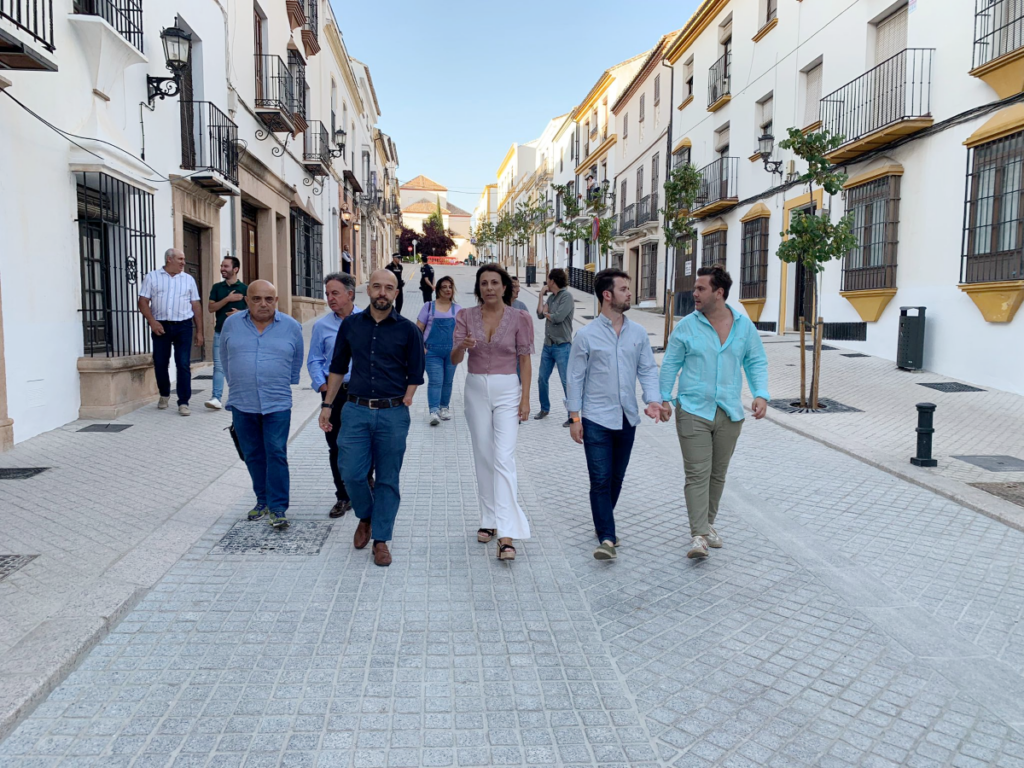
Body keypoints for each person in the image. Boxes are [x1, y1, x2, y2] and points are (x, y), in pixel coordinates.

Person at [659, 265, 770, 560]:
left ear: (719, 293)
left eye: (700, 289)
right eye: (695, 288)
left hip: (730, 412)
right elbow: (670, 363)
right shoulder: (687, 326)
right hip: (693, 410)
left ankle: (707, 526)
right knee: (697, 473)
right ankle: (698, 535)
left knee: (717, 475)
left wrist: (761, 394)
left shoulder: (744, 327)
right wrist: (664, 398)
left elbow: (756, 361)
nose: (694, 293)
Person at [319, 269, 425, 567]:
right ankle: (365, 515)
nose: (382, 292)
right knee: (351, 472)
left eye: (388, 288)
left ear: (396, 293)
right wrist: (327, 406)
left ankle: (381, 539)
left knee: (388, 479)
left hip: (392, 413)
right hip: (354, 410)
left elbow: (416, 371)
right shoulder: (351, 325)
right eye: (377, 286)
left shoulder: (408, 330)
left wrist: (407, 397)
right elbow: (338, 367)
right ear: (367, 289)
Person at [566, 269, 662, 561]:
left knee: (616, 479)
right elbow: (574, 378)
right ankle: (606, 537)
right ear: (607, 295)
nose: (629, 293)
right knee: (600, 479)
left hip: (627, 417)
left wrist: (653, 400)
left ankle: (602, 522)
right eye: (623, 289)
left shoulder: (638, 333)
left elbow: (647, 369)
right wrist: (574, 417)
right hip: (595, 418)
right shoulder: (585, 335)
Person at [452, 264, 534, 561]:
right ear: (478, 287)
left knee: (503, 457)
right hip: (475, 388)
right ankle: (488, 518)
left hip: (507, 389)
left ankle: (507, 533)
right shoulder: (465, 316)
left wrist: (525, 399)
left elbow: (524, 360)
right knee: (483, 455)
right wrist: (462, 345)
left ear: (505, 287)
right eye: (484, 283)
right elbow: (454, 358)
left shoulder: (520, 318)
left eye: (494, 283)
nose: (489, 288)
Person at [220, 280, 304, 529]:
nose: (263, 304)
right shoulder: (231, 324)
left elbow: (296, 359)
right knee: (252, 455)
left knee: (276, 452)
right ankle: (262, 500)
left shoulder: (291, 326)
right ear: (247, 300)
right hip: (242, 402)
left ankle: (278, 507)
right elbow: (225, 358)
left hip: (277, 402)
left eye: (269, 299)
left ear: (276, 301)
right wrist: (237, 381)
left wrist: (281, 381)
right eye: (256, 299)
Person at [308, 273, 361, 518]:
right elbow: (315, 360)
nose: (329, 298)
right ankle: (343, 496)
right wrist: (322, 386)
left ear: (350, 294)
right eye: (327, 293)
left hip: (363, 393)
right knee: (336, 447)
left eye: (335, 293)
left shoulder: (367, 321)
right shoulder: (322, 326)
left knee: (364, 443)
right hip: (334, 395)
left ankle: (364, 481)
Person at [138, 248, 204, 416]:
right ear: (169, 259)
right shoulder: (152, 277)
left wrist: (200, 332)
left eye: (184, 259)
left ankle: (183, 401)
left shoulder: (188, 279)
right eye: (180, 259)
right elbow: (143, 301)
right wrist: (152, 322)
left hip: (183, 326)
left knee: (183, 363)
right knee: (160, 362)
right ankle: (164, 393)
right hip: (161, 326)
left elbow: (196, 305)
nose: (183, 262)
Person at [416, 276, 461, 426]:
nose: (448, 290)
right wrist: (421, 347)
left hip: (452, 351)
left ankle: (444, 407)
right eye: (444, 287)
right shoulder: (429, 307)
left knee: (448, 381)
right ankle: (433, 411)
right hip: (432, 352)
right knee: (436, 381)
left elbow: (463, 331)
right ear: (438, 290)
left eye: (450, 287)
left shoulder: (458, 309)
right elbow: (418, 329)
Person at [205, 256, 248, 410]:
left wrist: (240, 313)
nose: (222, 269)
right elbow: (211, 308)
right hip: (220, 332)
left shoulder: (245, 289)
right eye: (222, 266)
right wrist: (228, 299)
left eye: (226, 266)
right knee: (218, 366)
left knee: (240, 366)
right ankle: (216, 398)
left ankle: (241, 397)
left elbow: (254, 311)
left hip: (240, 335)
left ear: (235, 269)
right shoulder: (217, 288)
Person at [534, 268, 574, 426]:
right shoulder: (550, 298)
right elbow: (538, 315)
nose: (546, 283)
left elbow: (557, 318)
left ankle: (572, 415)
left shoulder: (567, 297)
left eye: (548, 280)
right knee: (542, 378)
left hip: (562, 346)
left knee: (566, 381)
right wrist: (540, 297)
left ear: (553, 281)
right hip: (547, 345)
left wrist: (546, 313)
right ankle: (544, 408)